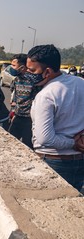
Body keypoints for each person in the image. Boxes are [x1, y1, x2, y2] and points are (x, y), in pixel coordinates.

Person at [27, 44, 84, 192]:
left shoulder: (46, 95)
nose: (28, 73)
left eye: (32, 70)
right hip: (80, 161)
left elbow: (45, 139)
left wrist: (74, 144)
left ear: (47, 72)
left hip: (54, 162)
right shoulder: (80, 83)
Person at [7, 53, 41, 149]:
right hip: (18, 116)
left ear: (22, 67)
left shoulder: (34, 81)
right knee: (10, 142)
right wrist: (13, 111)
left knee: (27, 146)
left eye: (14, 65)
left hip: (29, 119)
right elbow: (15, 97)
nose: (11, 68)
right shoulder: (16, 80)